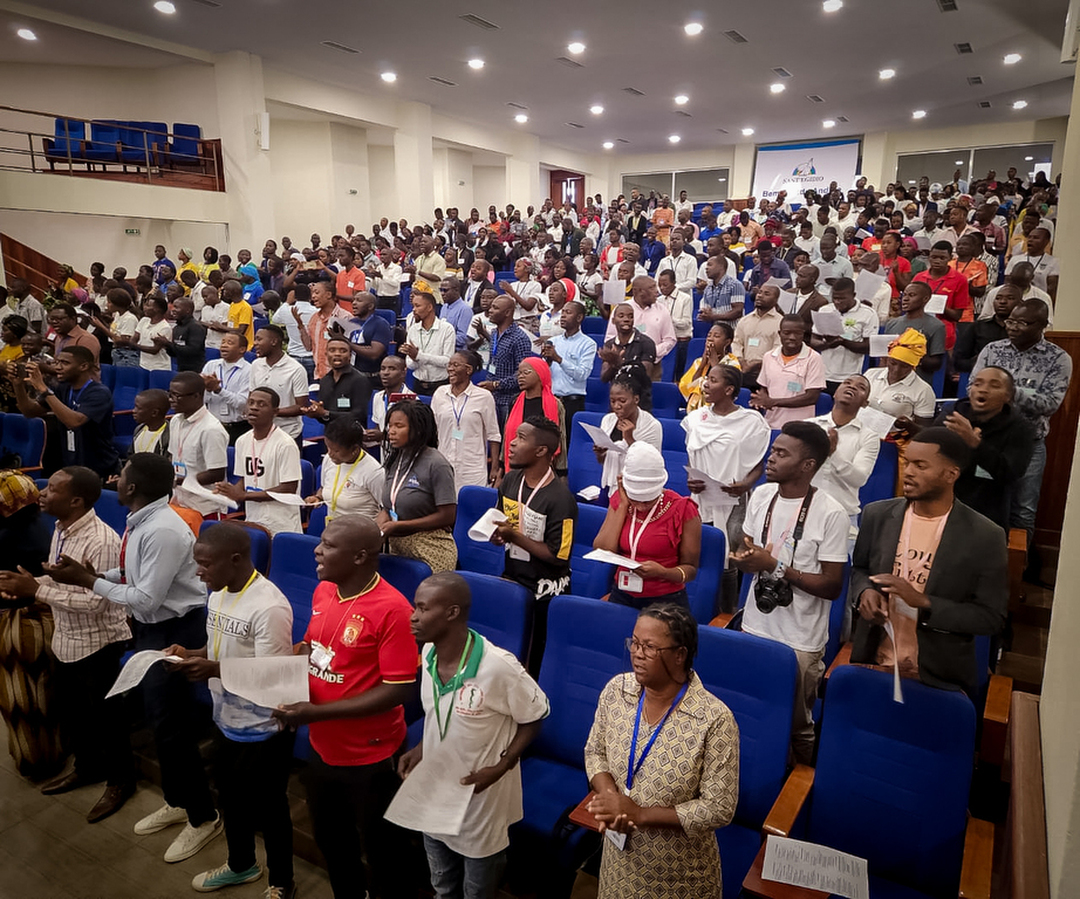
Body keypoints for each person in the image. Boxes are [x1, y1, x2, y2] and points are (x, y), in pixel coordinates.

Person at [47, 453, 219, 861]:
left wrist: (88, 581)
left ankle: (204, 816)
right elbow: (135, 577)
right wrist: (100, 575)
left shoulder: (161, 529)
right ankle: (178, 801)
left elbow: (144, 600)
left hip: (176, 629)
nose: (116, 479)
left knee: (171, 726)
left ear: (132, 488)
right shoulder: (142, 520)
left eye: (121, 476)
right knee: (161, 722)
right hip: (155, 626)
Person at [272, 515, 417, 899]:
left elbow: (398, 690)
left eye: (329, 545)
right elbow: (312, 647)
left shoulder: (393, 609)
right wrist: (283, 675)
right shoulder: (325, 591)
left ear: (361, 556)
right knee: (332, 840)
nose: (317, 550)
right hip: (323, 746)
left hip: (370, 755)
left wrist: (314, 713)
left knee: (383, 851)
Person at [163, 524, 296, 897]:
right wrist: (192, 655)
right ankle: (242, 865)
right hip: (226, 719)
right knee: (231, 798)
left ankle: (281, 881)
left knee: (270, 809)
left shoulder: (268, 606)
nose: (198, 572)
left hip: (265, 728)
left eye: (205, 564)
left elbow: (274, 677)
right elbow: (219, 647)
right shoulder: (218, 593)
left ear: (235, 560)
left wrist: (214, 669)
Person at [399, 572, 549, 899]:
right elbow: (440, 711)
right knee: (442, 887)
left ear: (452, 613)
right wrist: (424, 746)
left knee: (476, 891)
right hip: (437, 786)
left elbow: (536, 715)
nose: (413, 616)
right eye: (415, 607)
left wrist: (502, 766)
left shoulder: (498, 667)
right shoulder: (429, 655)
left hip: (479, 796)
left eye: (423, 609)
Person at [0, 467, 133, 820]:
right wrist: (33, 579)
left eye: (53, 490)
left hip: (98, 643)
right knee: (76, 714)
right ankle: (88, 767)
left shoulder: (101, 541)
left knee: (109, 721)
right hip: (65, 638)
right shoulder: (60, 528)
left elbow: (96, 602)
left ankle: (121, 781)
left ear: (75, 500)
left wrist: (36, 591)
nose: (42, 493)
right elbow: (62, 578)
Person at [583, 603, 738, 899]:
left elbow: (719, 807)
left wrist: (640, 814)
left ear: (679, 655)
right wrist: (610, 798)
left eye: (650, 647)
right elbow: (595, 751)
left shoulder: (714, 719)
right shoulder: (617, 691)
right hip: (618, 866)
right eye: (635, 643)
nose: (637, 654)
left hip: (678, 877)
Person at [850, 428, 1007, 697]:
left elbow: (990, 618)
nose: (908, 471)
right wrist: (864, 592)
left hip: (937, 675)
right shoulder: (877, 515)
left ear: (951, 474)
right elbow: (861, 570)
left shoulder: (985, 536)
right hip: (874, 661)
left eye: (920, 466)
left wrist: (924, 603)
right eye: (908, 462)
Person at [732, 421, 848, 764]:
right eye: (773, 449)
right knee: (749, 710)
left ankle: (804, 783)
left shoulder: (831, 513)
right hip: (755, 627)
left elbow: (832, 586)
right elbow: (748, 547)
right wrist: (745, 559)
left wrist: (776, 567)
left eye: (782, 453)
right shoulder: (764, 495)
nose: (771, 458)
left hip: (799, 641)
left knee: (798, 727)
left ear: (807, 465)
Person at [972, 300, 1072, 542]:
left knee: (1023, 511)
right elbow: (972, 388)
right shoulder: (993, 350)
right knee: (980, 504)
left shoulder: (1058, 358)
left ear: (1042, 325)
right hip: (989, 441)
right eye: (1011, 321)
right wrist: (995, 393)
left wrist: (1008, 392)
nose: (1013, 327)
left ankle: (1015, 572)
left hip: (1029, 443)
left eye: (1022, 323)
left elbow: (1050, 403)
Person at [494, 416, 577, 662]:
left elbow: (558, 556)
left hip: (546, 591)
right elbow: (502, 518)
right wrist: (498, 534)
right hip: (514, 577)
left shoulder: (561, 499)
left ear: (541, 450)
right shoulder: (510, 480)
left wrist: (514, 537)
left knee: (534, 657)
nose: (511, 444)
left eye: (521, 438)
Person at [594, 442, 701, 611]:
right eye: (636, 499)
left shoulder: (683, 509)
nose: (642, 506)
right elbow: (602, 551)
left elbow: (691, 570)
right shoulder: (620, 500)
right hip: (623, 591)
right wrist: (623, 505)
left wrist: (663, 572)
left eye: (648, 500)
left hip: (665, 599)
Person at [929, 367, 1034, 530]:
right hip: (941, 505)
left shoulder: (1020, 428)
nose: (983, 389)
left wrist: (975, 444)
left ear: (1008, 396)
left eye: (994, 385)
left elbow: (1010, 473)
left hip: (987, 513)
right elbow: (928, 451)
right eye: (978, 384)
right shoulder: (953, 414)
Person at [13, 345, 118, 479]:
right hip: (71, 462)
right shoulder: (62, 388)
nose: (57, 367)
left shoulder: (99, 392)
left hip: (99, 465)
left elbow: (74, 421)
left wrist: (43, 389)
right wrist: (18, 386)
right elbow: (30, 412)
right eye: (57, 362)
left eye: (64, 363)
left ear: (84, 366)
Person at [376, 400, 458, 572]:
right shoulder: (395, 459)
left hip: (431, 549)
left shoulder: (436, 464)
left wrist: (401, 526)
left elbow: (447, 516)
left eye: (399, 426)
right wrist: (382, 520)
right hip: (398, 548)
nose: (391, 431)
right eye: (390, 425)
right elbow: (390, 503)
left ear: (418, 429)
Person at [215, 387, 303, 536]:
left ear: (275, 412)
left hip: (281, 524)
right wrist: (229, 491)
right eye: (251, 403)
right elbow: (245, 479)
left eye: (262, 404)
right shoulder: (242, 441)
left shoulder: (285, 444)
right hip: (253, 520)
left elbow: (289, 488)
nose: (254, 408)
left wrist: (244, 496)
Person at [805, 374, 881, 529]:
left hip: (843, 515)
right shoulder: (808, 427)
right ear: (835, 393)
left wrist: (833, 454)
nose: (852, 386)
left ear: (865, 403)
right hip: (804, 511)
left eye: (861, 387)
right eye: (847, 382)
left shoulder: (869, 437)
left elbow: (859, 479)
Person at [431, 350, 501, 492]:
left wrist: (494, 467)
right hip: (443, 464)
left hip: (472, 467)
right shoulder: (440, 393)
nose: (450, 369)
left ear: (468, 370)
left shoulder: (484, 397)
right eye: (449, 365)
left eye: (455, 365)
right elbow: (432, 430)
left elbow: (493, 435)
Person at [596, 365, 663, 494]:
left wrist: (629, 438)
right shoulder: (608, 420)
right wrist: (600, 453)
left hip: (640, 489)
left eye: (622, 401)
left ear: (636, 399)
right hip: (611, 484)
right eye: (612, 401)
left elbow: (651, 464)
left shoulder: (651, 426)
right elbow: (603, 462)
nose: (616, 406)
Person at [752, 313, 826, 427]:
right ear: (779, 334)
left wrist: (774, 402)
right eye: (787, 333)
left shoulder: (814, 358)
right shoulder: (769, 356)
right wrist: (761, 399)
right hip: (770, 423)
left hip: (800, 425)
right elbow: (764, 387)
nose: (792, 337)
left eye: (797, 333)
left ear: (803, 334)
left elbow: (812, 397)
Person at [306, 414, 384, 522]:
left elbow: (386, 510)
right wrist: (318, 497)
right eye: (328, 447)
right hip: (333, 530)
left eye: (336, 450)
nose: (330, 454)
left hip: (361, 532)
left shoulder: (374, 472)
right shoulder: (329, 459)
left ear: (355, 449)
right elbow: (324, 487)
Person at [809, 277, 878, 392]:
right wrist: (828, 344)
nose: (837, 302)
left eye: (842, 299)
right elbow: (813, 341)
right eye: (835, 298)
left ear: (853, 295)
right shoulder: (825, 310)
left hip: (850, 376)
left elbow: (868, 347)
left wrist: (843, 342)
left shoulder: (868, 314)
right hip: (823, 374)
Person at [502, 358, 566, 478]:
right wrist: (500, 467)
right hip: (514, 464)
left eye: (526, 373)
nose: (521, 377)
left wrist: (562, 472)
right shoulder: (515, 401)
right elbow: (507, 434)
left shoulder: (555, 404)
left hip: (541, 464)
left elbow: (560, 437)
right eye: (519, 373)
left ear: (540, 375)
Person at [865, 329, 938, 432]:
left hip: (895, 440)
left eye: (904, 366)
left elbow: (924, 431)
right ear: (887, 359)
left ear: (913, 366)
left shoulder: (923, 390)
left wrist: (909, 425)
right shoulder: (871, 375)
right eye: (893, 363)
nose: (896, 370)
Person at [477, 295, 534, 426]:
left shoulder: (520, 339)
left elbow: (522, 375)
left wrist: (496, 385)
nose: (490, 310)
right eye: (491, 306)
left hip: (508, 401)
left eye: (495, 308)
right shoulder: (494, 333)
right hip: (491, 398)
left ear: (507, 313)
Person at [248, 325, 309, 442]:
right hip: (260, 433)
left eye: (259, 339)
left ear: (274, 342)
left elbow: (302, 407)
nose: (255, 343)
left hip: (288, 435)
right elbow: (251, 396)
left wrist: (271, 412)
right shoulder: (256, 365)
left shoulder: (296, 369)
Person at [541, 300, 596, 425]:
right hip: (551, 401)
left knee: (568, 440)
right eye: (562, 312)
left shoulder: (588, 344)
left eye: (568, 312)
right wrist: (548, 362)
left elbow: (582, 374)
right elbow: (544, 375)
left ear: (579, 317)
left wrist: (559, 359)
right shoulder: (553, 341)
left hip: (572, 403)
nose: (563, 316)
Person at [602, 277, 676, 369]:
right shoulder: (621, 309)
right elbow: (610, 337)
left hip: (653, 365)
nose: (657, 291)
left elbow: (670, 339)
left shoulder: (662, 310)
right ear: (640, 291)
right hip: (622, 364)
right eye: (651, 288)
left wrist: (651, 352)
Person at [883, 282, 946, 383]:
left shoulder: (936, 326)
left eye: (912, 295)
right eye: (904, 294)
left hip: (918, 381)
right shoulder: (892, 323)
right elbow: (884, 356)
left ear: (925, 299)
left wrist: (910, 354)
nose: (905, 299)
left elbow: (936, 363)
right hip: (891, 380)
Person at [913, 241, 970, 351]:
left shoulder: (960, 280)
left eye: (942, 258)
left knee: (941, 365)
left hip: (944, 332)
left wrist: (939, 306)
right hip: (917, 331)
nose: (937, 261)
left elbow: (957, 315)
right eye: (934, 257)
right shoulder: (919, 277)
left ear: (950, 258)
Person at [402, 284, 457, 396]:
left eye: (418, 306)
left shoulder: (446, 329)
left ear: (429, 307)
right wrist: (414, 358)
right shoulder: (413, 329)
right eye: (413, 306)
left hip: (440, 384)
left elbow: (447, 361)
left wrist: (419, 356)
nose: (414, 310)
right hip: (418, 383)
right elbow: (410, 364)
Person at [303, 334, 371, 424]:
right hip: (330, 435)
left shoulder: (360, 380)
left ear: (350, 355)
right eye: (332, 350)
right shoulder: (325, 381)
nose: (337, 354)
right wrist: (315, 413)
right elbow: (324, 416)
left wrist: (326, 413)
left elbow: (359, 415)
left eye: (343, 351)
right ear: (326, 354)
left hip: (353, 435)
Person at [955, 283, 1020, 372]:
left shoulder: (1023, 331)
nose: (1002, 301)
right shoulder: (977, 327)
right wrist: (978, 363)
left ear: (1020, 303)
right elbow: (958, 361)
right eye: (998, 298)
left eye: (1010, 298)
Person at [201, 330, 252, 444]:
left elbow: (243, 404)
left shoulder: (249, 370)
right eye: (223, 342)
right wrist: (208, 390)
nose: (224, 345)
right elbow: (200, 399)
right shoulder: (211, 365)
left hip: (237, 428)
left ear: (242, 349)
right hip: (211, 424)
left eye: (230, 343)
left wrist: (218, 390)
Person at [679, 323, 740, 413]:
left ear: (727, 342)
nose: (710, 339)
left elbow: (724, 388)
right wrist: (703, 364)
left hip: (721, 410)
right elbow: (691, 386)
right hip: (697, 410)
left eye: (716, 336)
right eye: (709, 335)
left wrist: (714, 362)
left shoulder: (732, 364)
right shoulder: (699, 362)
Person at [731, 284, 783, 388]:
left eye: (766, 294)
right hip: (743, 371)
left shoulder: (781, 322)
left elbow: (778, 349)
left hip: (767, 374)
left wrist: (758, 363)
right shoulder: (745, 320)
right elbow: (736, 343)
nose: (760, 296)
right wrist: (741, 360)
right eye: (759, 292)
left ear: (776, 299)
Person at [368, 354, 414, 445]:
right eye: (383, 368)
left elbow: (412, 435)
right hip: (384, 454)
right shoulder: (378, 396)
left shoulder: (412, 400)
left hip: (404, 454)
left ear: (403, 372)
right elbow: (378, 425)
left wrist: (383, 436)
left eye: (392, 369)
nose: (386, 372)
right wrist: (369, 434)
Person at [698, 254, 746, 324]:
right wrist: (704, 314)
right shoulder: (708, 289)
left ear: (721, 267)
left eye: (710, 265)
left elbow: (738, 312)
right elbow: (707, 311)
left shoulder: (734, 284)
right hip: (717, 330)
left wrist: (713, 316)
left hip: (733, 331)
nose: (706, 268)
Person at [128, 388, 171, 459]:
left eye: (138, 408)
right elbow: (131, 456)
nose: (134, 411)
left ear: (154, 413)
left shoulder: (168, 436)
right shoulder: (139, 429)